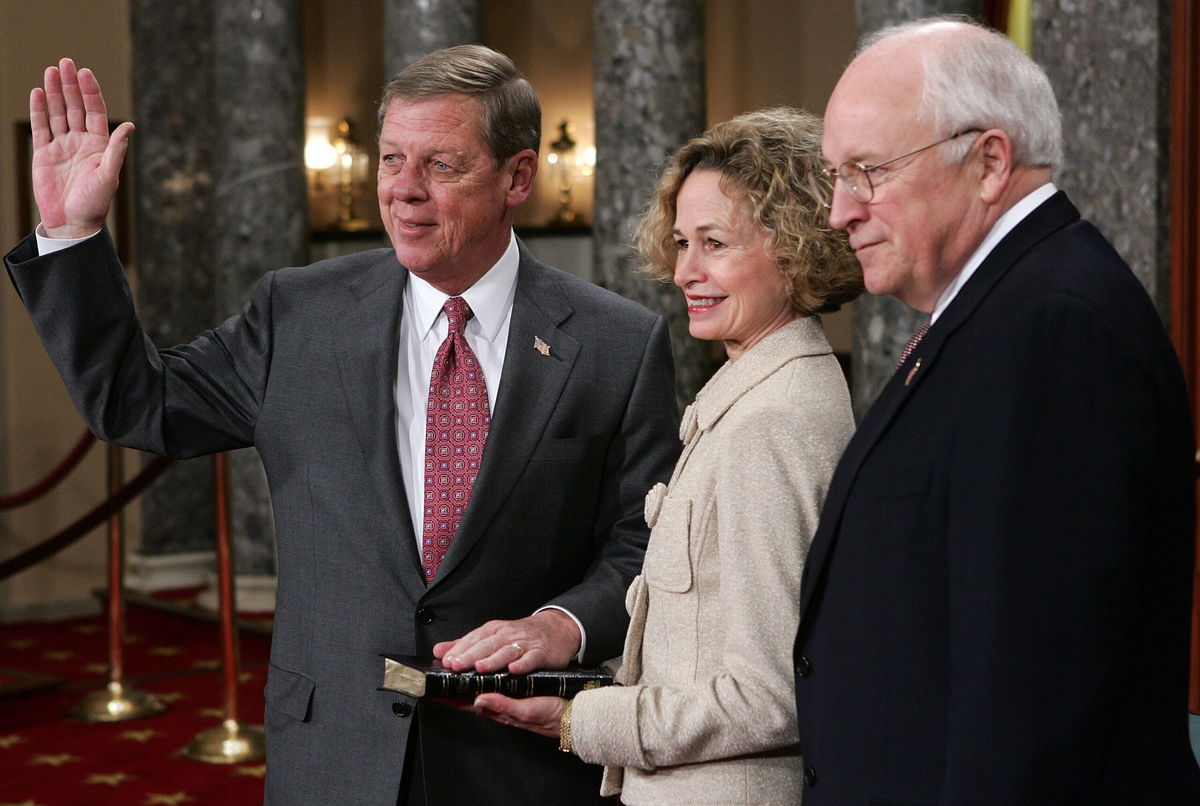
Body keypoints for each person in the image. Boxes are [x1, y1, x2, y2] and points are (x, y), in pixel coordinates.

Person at [4, 47, 681, 806]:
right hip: (332, 750)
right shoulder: (298, 313)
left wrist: (565, 623)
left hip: (519, 757)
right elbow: (136, 402)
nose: (402, 191)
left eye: (442, 166)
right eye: (391, 158)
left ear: (518, 177)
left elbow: (647, 537)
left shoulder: (618, 343)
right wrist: (72, 236)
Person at [793, 16, 1200, 804]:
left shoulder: (1053, 329)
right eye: (834, 175)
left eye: (867, 171)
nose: (841, 210)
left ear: (987, 161)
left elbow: (1033, 691)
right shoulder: (1002, 307)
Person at [471, 107, 864, 804]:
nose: (685, 271)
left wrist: (578, 719)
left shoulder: (769, 425)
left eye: (714, 243)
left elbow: (768, 695)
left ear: (797, 245)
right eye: (682, 241)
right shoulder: (768, 390)